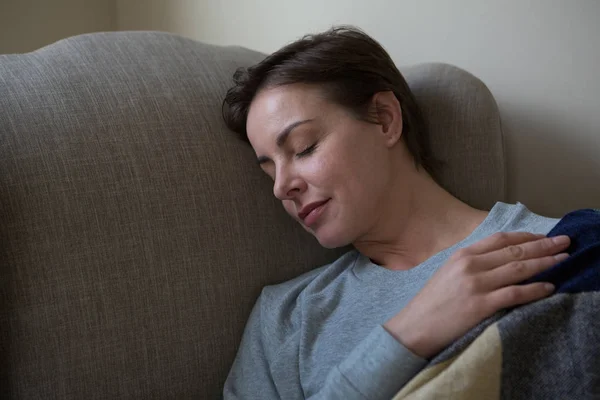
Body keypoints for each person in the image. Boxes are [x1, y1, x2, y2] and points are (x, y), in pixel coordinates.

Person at [221, 26, 568, 400]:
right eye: (269, 171)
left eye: (303, 148)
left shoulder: (554, 249)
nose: (280, 187)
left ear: (385, 119)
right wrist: (405, 338)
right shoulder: (286, 320)